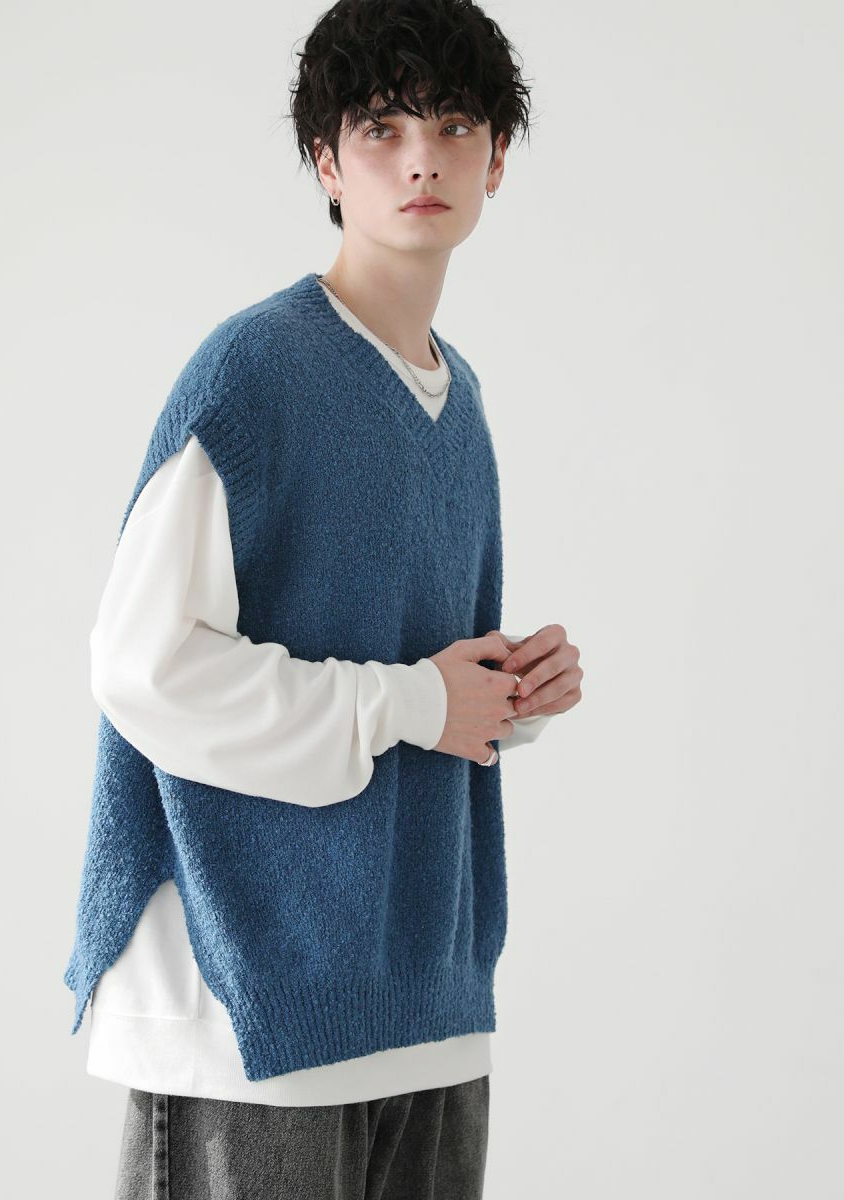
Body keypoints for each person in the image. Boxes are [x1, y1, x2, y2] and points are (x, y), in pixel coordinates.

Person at [63, 1, 584, 1196]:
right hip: (245, 1005)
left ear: (497, 159)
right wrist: (413, 703)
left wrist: (506, 696)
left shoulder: (459, 400)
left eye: (454, 125)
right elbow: (144, 667)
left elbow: (408, 671)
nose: (421, 159)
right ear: (326, 163)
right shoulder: (255, 371)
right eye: (381, 126)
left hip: (424, 997)